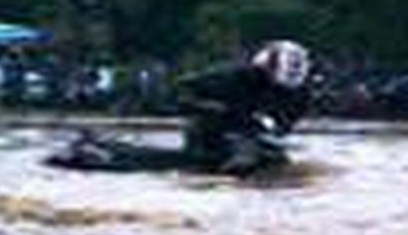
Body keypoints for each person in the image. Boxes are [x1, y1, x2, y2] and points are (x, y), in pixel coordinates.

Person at [49, 40, 313, 176]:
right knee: (213, 160)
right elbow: (182, 91)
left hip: (252, 135)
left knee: (270, 159)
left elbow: (287, 124)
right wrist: (215, 109)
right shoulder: (230, 76)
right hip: (212, 128)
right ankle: (99, 150)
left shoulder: (299, 92)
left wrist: (269, 125)